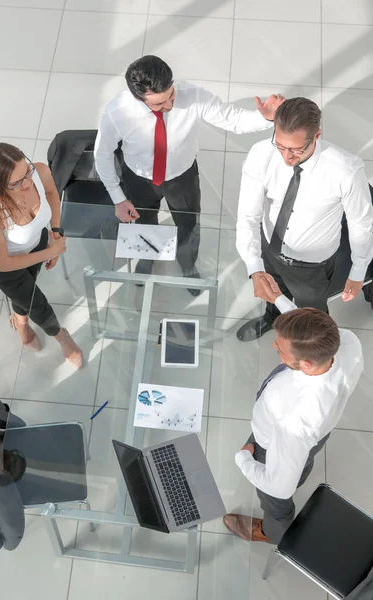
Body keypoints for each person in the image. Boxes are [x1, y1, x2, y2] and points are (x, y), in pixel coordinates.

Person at [94, 54, 284, 295]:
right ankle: (147, 258)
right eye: (159, 104)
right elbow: (102, 154)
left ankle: (187, 265)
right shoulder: (117, 111)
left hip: (182, 176)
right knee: (144, 221)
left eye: (171, 96)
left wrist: (264, 116)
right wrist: (118, 198)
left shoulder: (192, 96)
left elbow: (233, 120)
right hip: (138, 177)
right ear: (137, 98)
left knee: (188, 224)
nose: (170, 106)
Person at [223, 282, 364, 545]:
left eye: (281, 349)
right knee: (301, 462)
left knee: (275, 501)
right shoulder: (346, 344)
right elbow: (320, 328)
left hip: (272, 446)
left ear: (307, 364)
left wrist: (243, 458)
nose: (274, 348)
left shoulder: (296, 419)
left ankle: (272, 532)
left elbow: (279, 486)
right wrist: (278, 299)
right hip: (311, 437)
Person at [235, 97, 373, 342]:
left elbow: (361, 224)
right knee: (274, 291)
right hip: (269, 247)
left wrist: (358, 270)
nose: (286, 157)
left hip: (312, 266)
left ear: (317, 135)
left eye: (296, 150)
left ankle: (309, 349)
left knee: (312, 316)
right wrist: (255, 269)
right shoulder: (261, 153)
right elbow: (248, 215)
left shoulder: (346, 171)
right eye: (280, 145)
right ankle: (273, 317)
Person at [0, 143, 82, 368]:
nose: (27, 183)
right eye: (16, 183)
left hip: (38, 245)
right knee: (38, 304)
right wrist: (50, 252)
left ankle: (20, 322)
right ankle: (62, 337)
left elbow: (52, 193)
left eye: (27, 173)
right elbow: (3, 263)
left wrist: (55, 231)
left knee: (27, 294)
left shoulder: (40, 172)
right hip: (7, 269)